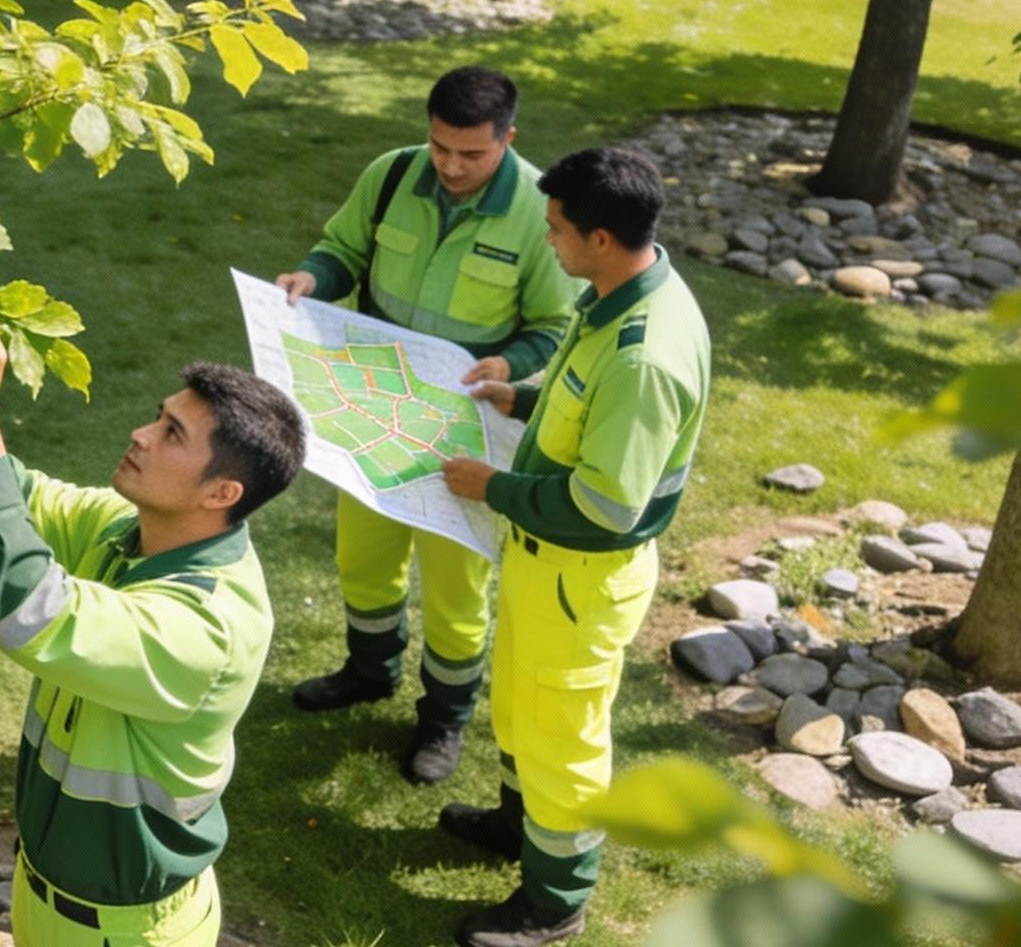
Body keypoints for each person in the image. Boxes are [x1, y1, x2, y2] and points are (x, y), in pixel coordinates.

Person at [0, 301, 306, 947]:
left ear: (222, 493)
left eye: (172, 433)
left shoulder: (204, 627)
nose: (141, 434)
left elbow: (23, 608)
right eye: (159, 415)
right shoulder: (133, 532)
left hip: (125, 935)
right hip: (48, 901)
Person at [436, 147, 711, 947]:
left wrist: (493, 488)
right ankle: (518, 826)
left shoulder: (645, 355)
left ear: (599, 237)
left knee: (564, 737)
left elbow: (604, 507)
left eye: (555, 229)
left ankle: (554, 902)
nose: (545, 240)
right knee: (523, 709)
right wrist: (520, 396)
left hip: (579, 575)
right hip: (543, 563)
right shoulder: (618, 292)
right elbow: (579, 403)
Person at [275, 67, 577, 784]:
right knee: (363, 558)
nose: (450, 166)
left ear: (508, 138)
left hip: (464, 432)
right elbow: (342, 250)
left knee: (455, 591)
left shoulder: (539, 215)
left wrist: (509, 366)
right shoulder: (390, 176)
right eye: (440, 147)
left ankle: (443, 720)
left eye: (471, 154)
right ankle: (369, 670)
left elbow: (553, 325)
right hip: (374, 411)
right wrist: (312, 277)